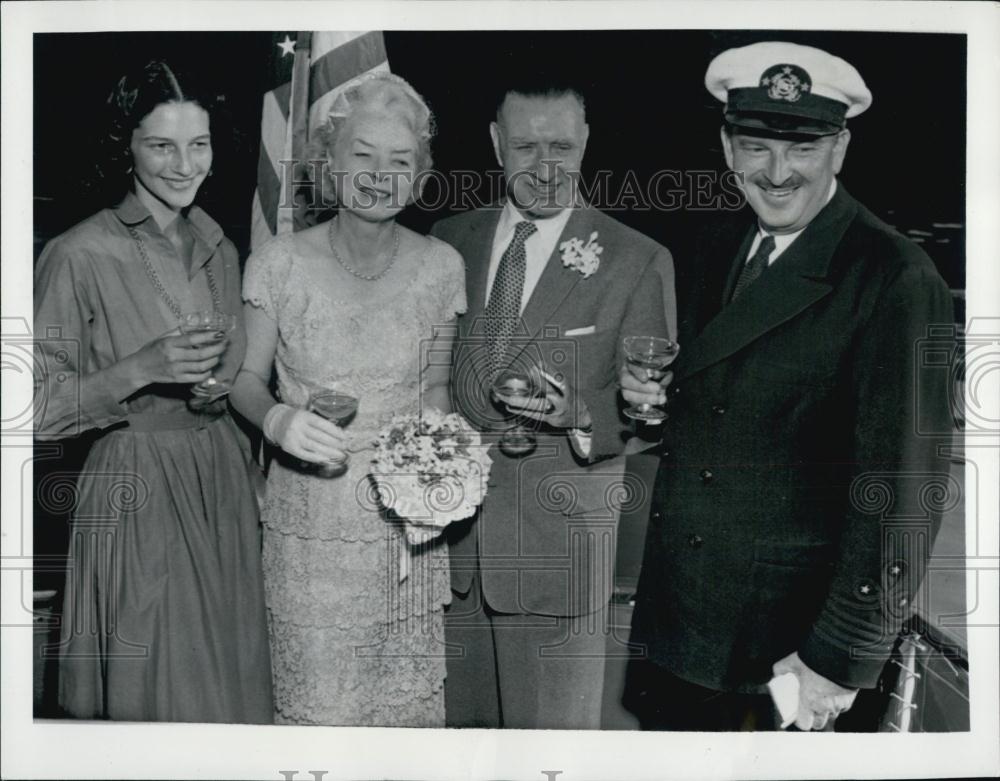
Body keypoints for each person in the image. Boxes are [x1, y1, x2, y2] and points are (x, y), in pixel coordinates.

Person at [621, 41, 954, 731]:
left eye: (801, 148)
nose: (776, 173)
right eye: (755, 145)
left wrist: (838, 655)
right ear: (725, 146)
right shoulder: (715, 245)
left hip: (789, 654)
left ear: (840, 147)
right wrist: (652, 408)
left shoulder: (895, 276)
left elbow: (904, 488)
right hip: (687, 627)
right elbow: (729, 411)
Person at [33, 60, 273, 722]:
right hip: (135, 490)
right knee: (163, 698)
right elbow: (34, 408)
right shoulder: (78, 253)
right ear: (126, 147)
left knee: (233, 683)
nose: (183, 164)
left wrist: (216, 391)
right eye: (160, 145)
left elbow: (227, 379)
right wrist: (138, 367)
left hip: (220, 483)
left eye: (198, 145)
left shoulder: (220, 247)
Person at [431, 83, 676, 729]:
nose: (544, 166)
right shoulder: (446, 240)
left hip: (556, 560)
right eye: (526, 146)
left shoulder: (638, 258)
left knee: (550, 757)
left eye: (561, 146)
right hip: (449, 557)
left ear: (587, 143)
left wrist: (578, 413)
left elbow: (649, 414)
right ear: (494, 144)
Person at [229, 72, 465, 727]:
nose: (380, 174)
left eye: (400, 160)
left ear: (419, 175)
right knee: (320, 723)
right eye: (362, 155)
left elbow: (436, 389)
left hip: (404, 536)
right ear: (328, 164)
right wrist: (278, 419)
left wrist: (444, 464)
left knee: (402, 728)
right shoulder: (277, 262)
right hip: (311, 529)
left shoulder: (442, 266)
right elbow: (243, 380)